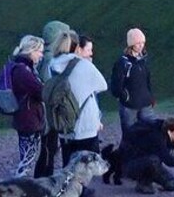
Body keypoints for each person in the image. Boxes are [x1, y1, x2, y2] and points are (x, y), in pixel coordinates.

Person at [50, 33, 108, 163]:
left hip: (64, 123)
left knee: (69, 167)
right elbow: (103, 85)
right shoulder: (83, 65)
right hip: (85, 125)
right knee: (88, 167)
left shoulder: (53, 65)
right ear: (77, 48)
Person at [34, 20, 70, 178]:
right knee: (49, 149)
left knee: (48, 148)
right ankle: (43, 181)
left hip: (45, 114)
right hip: (49, 116)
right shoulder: (50, 61)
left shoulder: (45, 58)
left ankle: (42, 179)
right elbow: (51, 90)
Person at [8, 35, 45, 177]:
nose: (41, 55)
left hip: (25, 118)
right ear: (31, 51)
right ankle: (20, 185)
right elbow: (40, 92)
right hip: (29, 120)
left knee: (27, 156)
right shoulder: (23, 71)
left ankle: (21, 185)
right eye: (39, 52)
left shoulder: (19, 68)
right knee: (28, 159)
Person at [110, 28, 156, 137]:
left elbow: (147, 81)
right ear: (131, 44)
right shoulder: (123, 63)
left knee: (152, 131)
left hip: (146, 104)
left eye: (142, 43)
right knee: (130, 136)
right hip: (129, 106)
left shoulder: (143, 61)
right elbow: (116, 85)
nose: (141, 46)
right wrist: (124, 97)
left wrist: (150, 96)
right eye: (138, 43)